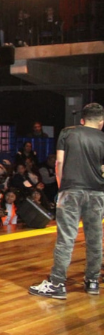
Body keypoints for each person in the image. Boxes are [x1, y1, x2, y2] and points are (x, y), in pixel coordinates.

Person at [30, 103, 104, 299]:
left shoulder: (67, 133)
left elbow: (60, 162)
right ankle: (93, 281)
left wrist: (63, 187)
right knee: (95, 239)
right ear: (101, 122)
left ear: (82, 119)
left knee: (66, 238)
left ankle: (57, 283)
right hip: (97, 193)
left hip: (71, 190)